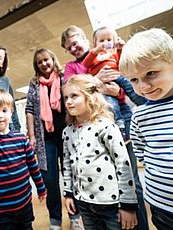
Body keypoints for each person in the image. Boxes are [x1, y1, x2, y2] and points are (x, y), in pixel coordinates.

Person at [61, 25, 149, 230]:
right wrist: (96, 81)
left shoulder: (110, 54)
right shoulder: (74, 67)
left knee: (132, 182)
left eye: (75, 42)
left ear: (85, 38)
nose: (73, 48)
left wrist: (119, 91)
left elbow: (130, 86)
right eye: (69, 47)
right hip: (89, 127)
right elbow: (72, 87)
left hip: (117, 121)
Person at [119, 28, 173, 229]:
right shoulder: (139, 116)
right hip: (162, 211)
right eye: (134, 80)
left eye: (150, 73)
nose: (143, 87)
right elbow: (142, 154)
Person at [62, 74, 138, 230]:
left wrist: (128, 205)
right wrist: (68, 193)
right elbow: (67, 165)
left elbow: (123, 165)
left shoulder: (106, 126)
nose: (68, 101)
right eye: (65, 98)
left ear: (90, 97)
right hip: (84, 203)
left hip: (111, 204)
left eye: (74, 96)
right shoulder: (67, 132)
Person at [26, 48, 83, 230]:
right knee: (49, 179)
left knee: (72, 175)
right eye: (40, 62)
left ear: (53, 59)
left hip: (68, 135)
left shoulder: (64, 77)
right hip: (46, 140)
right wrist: (32, 136)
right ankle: (55, 219)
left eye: (46, 60)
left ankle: (76, 217)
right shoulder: (34, 84)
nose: (44, 64)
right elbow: (29, 110)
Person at [0, 89, 47, 230]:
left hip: (24, 204)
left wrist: (41, 188)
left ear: (11, 112)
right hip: (0, 212)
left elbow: (33, 166)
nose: (0, 116)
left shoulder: (21, 139)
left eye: (4, 111)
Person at [82, 26, 147, 140]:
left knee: (130, 86)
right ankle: (119, 124)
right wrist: (95, 51)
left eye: (109, 40)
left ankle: (144, 103)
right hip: (104, 83)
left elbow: (123, 62)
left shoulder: (114, 52)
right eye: (101, 40)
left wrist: (121, 49)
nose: (105, 42)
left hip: (118, 76)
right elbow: (86, 64)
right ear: (95, 43)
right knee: (111, 104)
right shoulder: (95, 56)